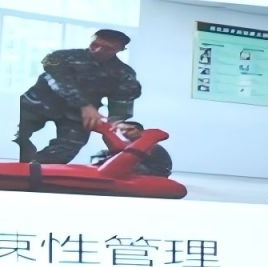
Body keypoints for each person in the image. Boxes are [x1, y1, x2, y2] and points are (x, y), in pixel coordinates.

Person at [13, 28, 141, 165]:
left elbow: (121, 102)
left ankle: (34, 169)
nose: (97, 50)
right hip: (37, 104)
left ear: (120, 49)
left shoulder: (124, 73)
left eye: (107, 49)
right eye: (94, 45)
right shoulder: (62, 57)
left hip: (77, 116)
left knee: (67, 150)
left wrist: (118, 124)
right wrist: (84, 105)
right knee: (15, 137)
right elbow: (60, 82)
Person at [90, 119, 174, 177]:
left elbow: (128, 157)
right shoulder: (127, 146)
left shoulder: (152, 146)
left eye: (129, 130)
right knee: (103, 154)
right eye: (121, 130)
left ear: (140, 131)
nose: (124, 132)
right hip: (138, 166)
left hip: (155, 172)